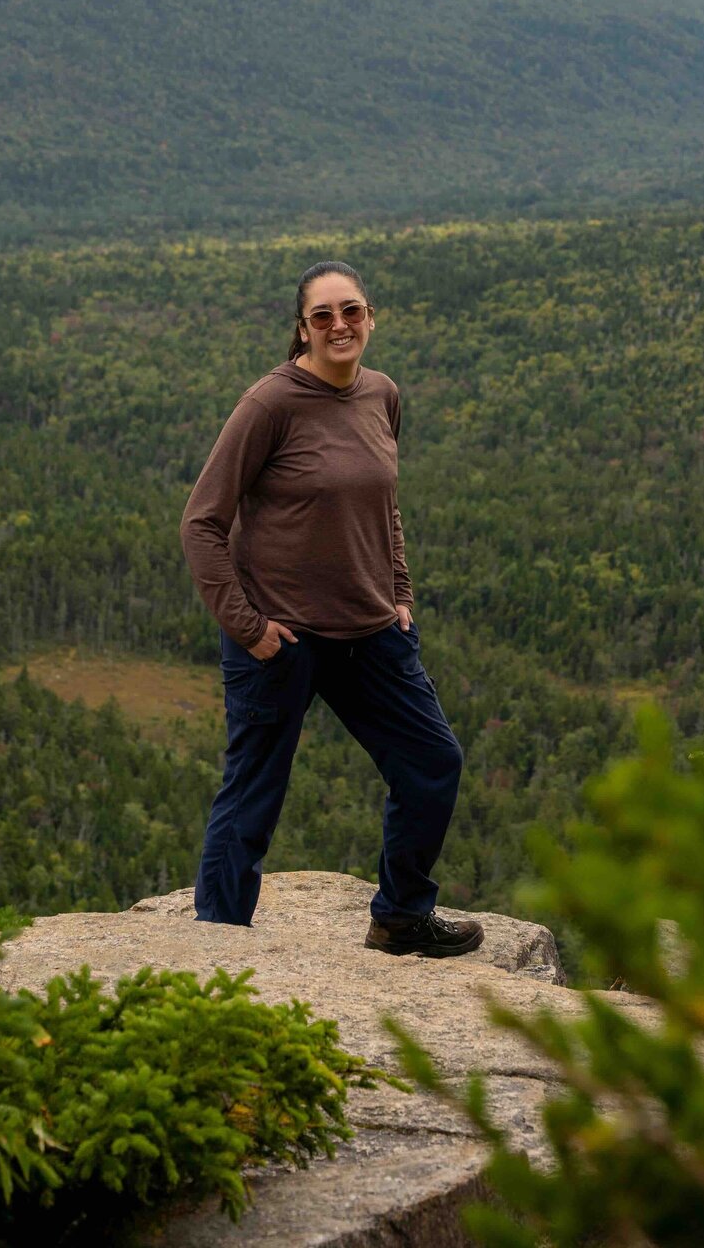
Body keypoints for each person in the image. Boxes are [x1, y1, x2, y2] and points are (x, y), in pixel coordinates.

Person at [180, 258, 482, 957]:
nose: (339, 325)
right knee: (253, 794)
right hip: (282, 638)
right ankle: (217, 951)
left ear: (371, 317)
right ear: (302, 330)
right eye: (323, 316)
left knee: (433, 763)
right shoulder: (270, 405)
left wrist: (400, 593)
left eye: (351, 311)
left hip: (371, 629)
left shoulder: (382, 395)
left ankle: (402, 916)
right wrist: (249, 630)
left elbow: (384, 506)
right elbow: (201, 522)